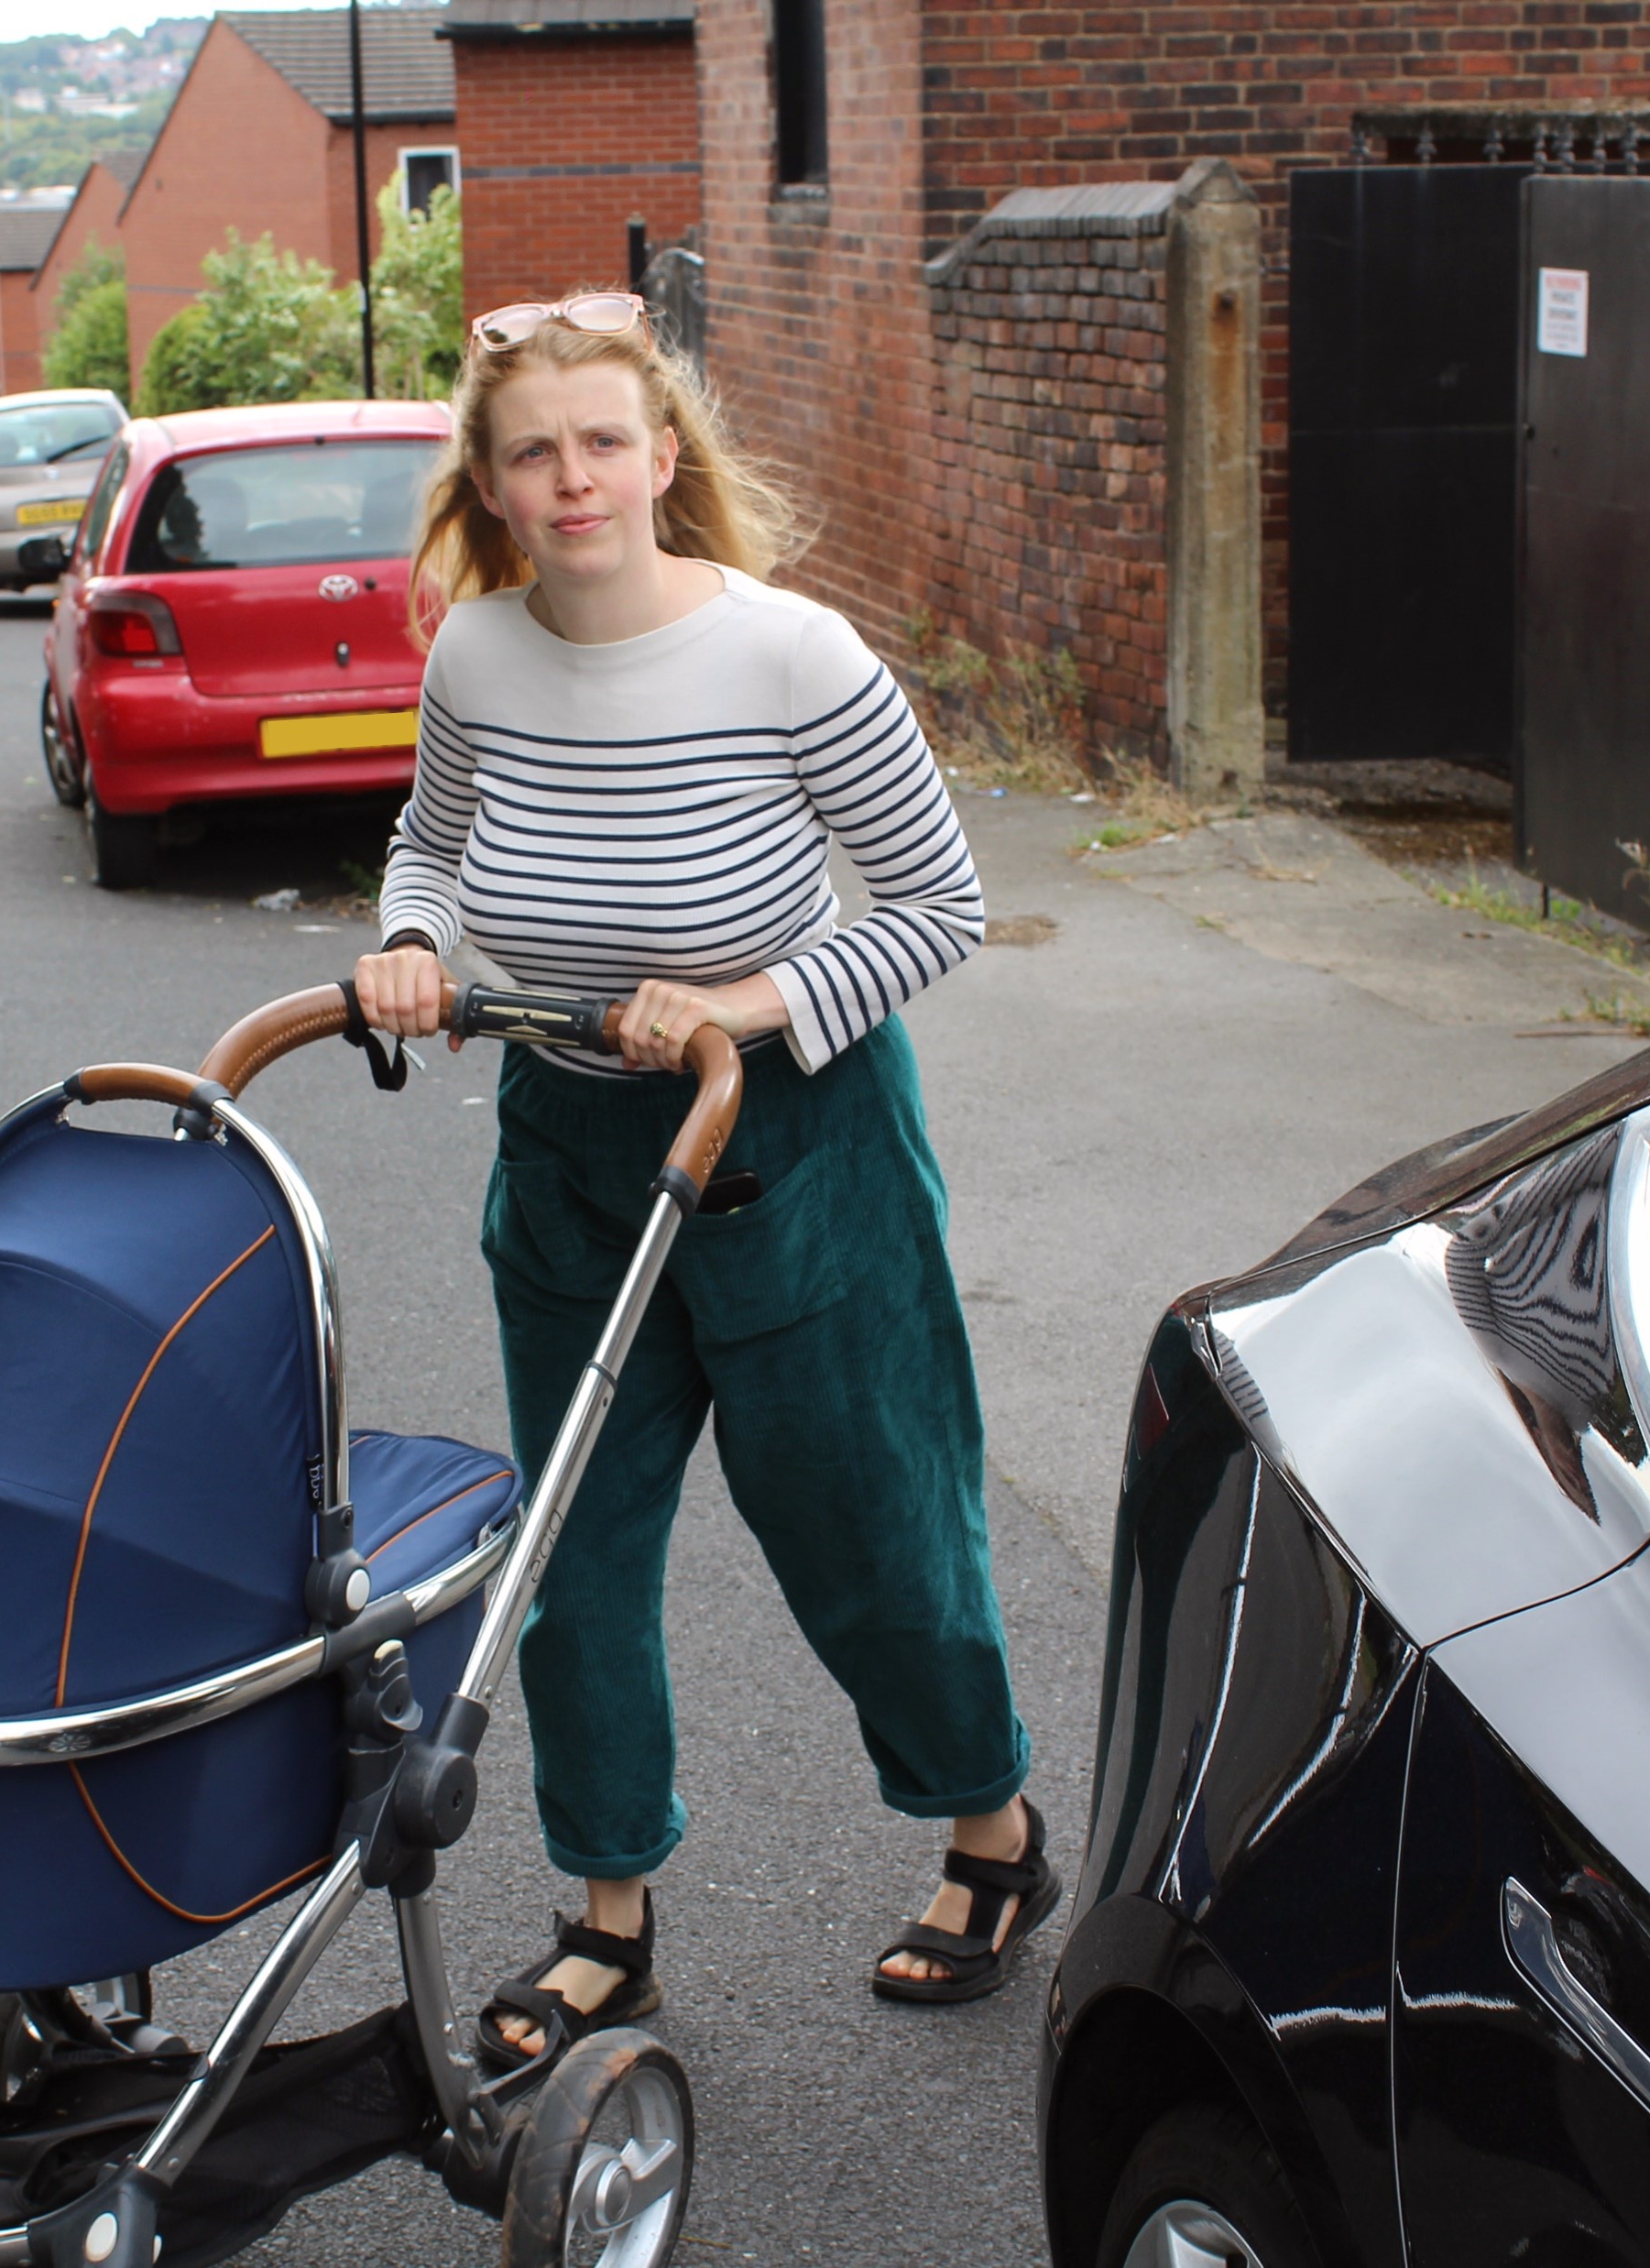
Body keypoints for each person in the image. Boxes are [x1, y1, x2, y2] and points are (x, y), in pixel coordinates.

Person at [351, 290, 1052, 2066]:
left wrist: (741, 1003)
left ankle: (987, 1827)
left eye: (602, 440)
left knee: (872, 1525)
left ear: (664, 457)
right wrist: (410, 945)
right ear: (490, 485)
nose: (570, 476)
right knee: (571, 1555)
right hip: (572, 1148)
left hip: (795, 1140)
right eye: (531, 450)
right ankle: (607, 1917)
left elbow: (934, 909)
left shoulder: (789, 654)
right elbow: (427, 845)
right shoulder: (478, 658)